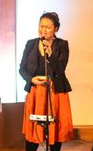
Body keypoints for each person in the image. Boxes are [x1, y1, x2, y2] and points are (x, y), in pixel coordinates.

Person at [19, 12, 74, 151]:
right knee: (34, 131)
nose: (43, 30)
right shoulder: (31, 44)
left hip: (55, 92)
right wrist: (31, 79)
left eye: (47, 27)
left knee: (54, 131)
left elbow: (60, 69)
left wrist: (51, 54)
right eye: (41, 26)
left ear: (56, 28)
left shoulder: (62, 45)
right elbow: (22, 69)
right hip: (36, 91)